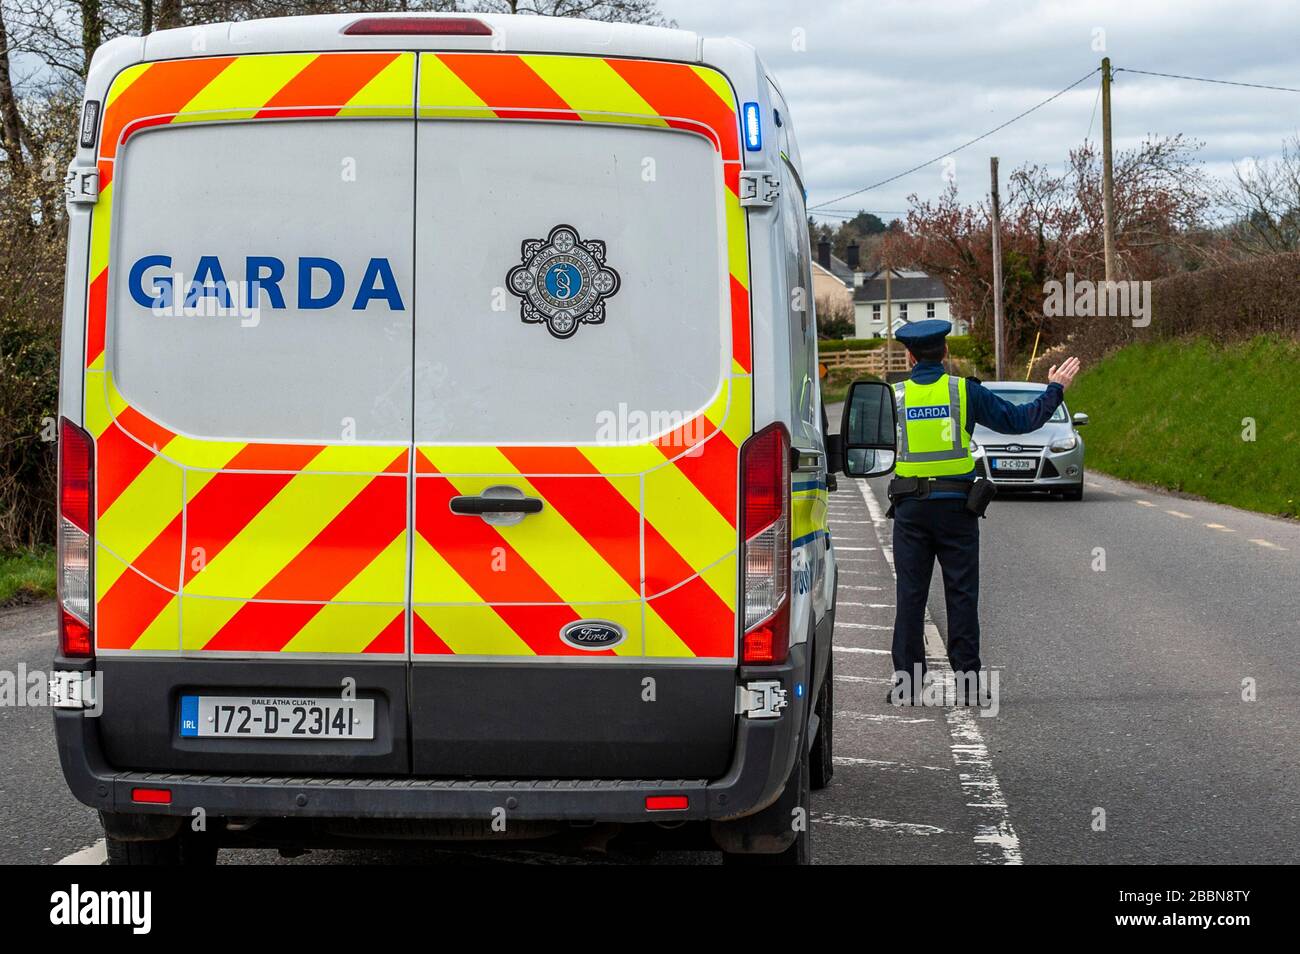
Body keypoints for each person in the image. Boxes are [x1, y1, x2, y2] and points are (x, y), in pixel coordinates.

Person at [885, 319, 1080, 705]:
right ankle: (969, 685)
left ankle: (908, 685)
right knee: (961, 594)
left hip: (910, 510)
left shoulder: (895, 397)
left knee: (910, 595)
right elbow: (1020, 421)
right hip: (957, 510)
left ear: (909, 356)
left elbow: (866, 445)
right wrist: (1055, 389)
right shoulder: (963, 391)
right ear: (944, 354)